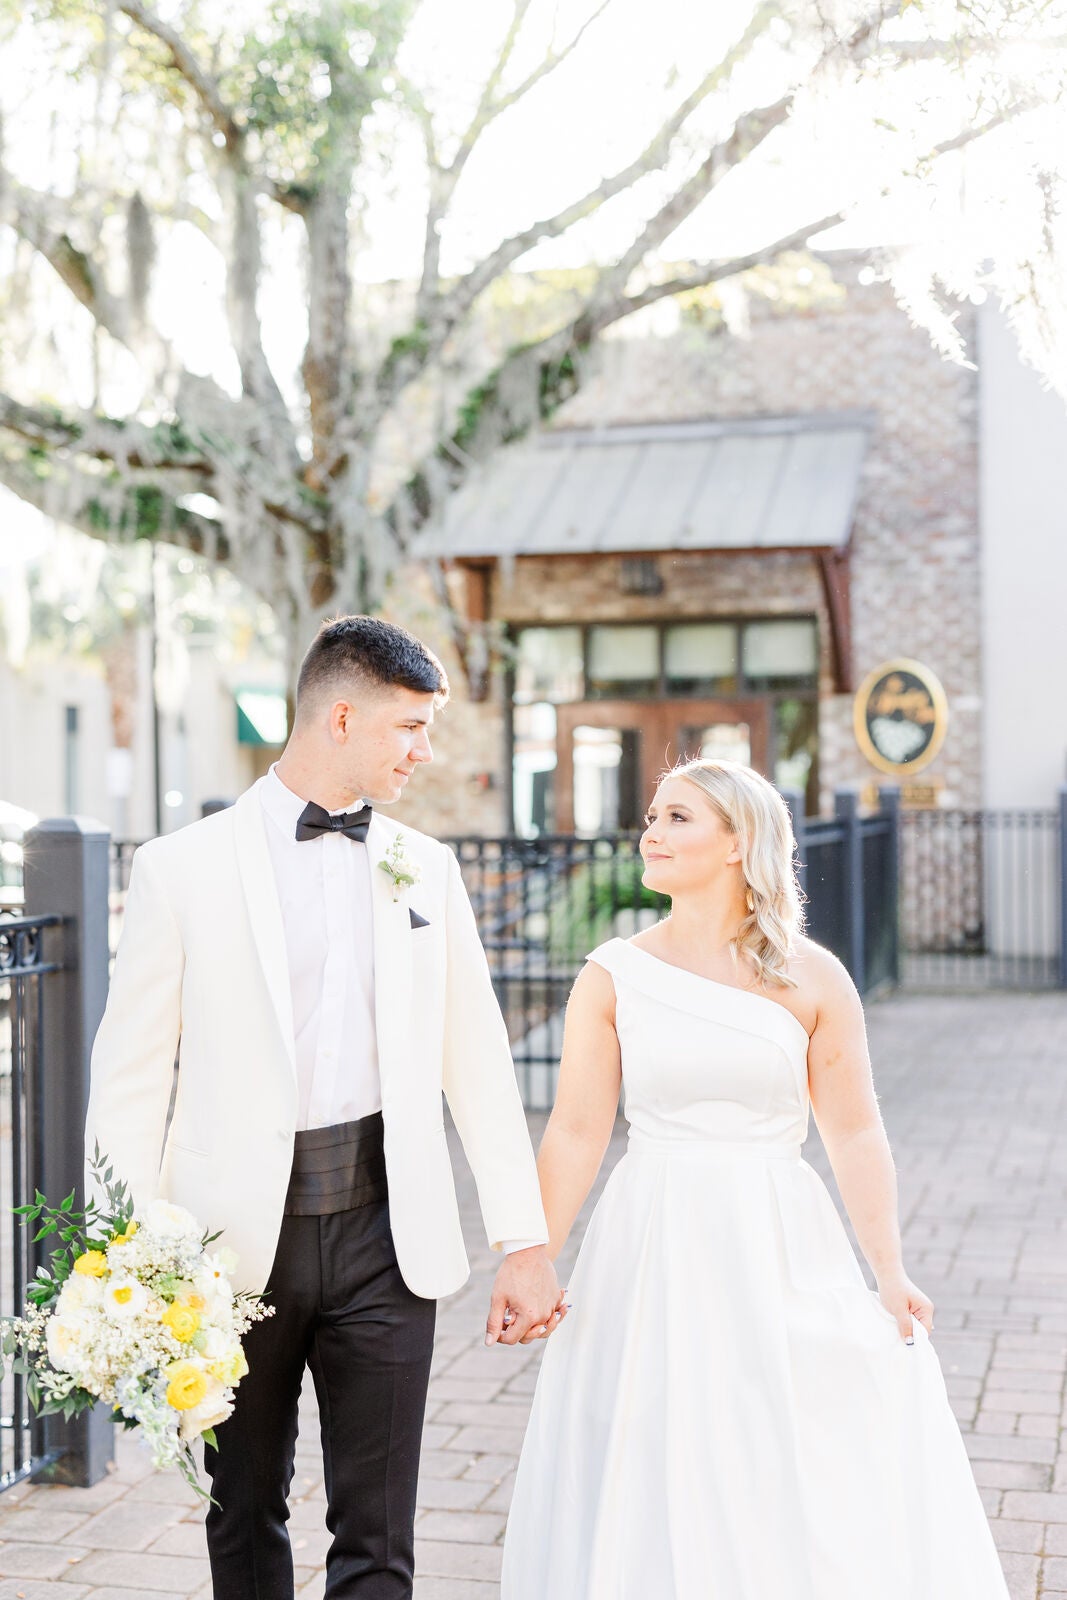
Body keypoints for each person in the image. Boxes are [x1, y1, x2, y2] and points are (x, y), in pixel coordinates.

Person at [86, 615, 563, 1600]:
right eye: (409, 727)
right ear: (340, 716)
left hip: (389, 1235)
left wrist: (523, 1239)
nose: (425, 751)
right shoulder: (180, 869)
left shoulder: (425, 867)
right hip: (228, 1253)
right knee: (244, 1510)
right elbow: (129, 1080)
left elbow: (474, 1056)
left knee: (379, 1534)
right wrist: (128, 1263)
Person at [501, 758, 1009, 1599]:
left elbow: (853, 1131)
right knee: (649, 1431)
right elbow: (577, 1130)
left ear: (738, 843)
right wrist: (532, 1256)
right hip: (652, 1231)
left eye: (676, 818)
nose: (649, 833)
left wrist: (889, 1270)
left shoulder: (812, 977)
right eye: (652, 817)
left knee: (778, 1431)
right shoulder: (612, 974)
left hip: (773, 1232)